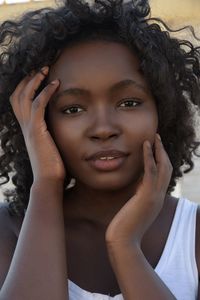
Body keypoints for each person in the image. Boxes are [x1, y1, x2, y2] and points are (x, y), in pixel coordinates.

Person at [0, 0, 200, 299]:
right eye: (73, 109)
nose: (103, 128)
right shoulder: (7, 230)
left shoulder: (193, 233)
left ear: (164, 110)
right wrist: (47, 183)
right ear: (39, 120)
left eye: (129, 103)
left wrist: (124, 245)